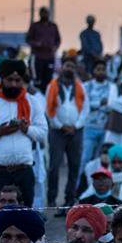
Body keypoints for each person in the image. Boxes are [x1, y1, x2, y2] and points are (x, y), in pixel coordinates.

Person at [0, 59, 48, 209]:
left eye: (17, 80)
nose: (13, 84)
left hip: (23, 171)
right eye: (9, 80)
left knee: (24, 221)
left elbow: (42, 133)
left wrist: (26, 129)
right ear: (2, 79)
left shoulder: (32, 102)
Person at [45, 59, 88, 208]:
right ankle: (51, 198)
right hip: (57, 131)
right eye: (67, 65)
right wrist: (60, 125)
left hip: (76, 131)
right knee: (54, 166)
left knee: (74, 166)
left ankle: (69, 198)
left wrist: (75, 126)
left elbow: (85, 109)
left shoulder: (80, 87)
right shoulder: (52, 86)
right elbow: (49, 110)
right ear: (62, 67)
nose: (70, 68)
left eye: (72, 66)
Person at [25, 6, 61, 89]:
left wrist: (55, 47)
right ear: (40, 14)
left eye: (46, 13)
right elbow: (28, 39)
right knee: (37, 79)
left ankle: (46, 96)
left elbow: (58, 39)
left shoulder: (53, 26)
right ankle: (37, 96)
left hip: (49, 56)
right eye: (43, 13)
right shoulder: (35, 26)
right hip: (37, 56)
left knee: (48, 79)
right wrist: (36, 44)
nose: (45, 14)